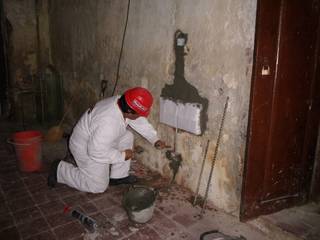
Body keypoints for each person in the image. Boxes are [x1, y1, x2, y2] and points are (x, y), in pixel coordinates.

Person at [47, 87, 168, 193]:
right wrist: (122, 155)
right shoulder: (108, 123)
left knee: (127, 136)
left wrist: (154, 139)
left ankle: (118, 177)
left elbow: (138, 120)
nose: (140, 116)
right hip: (85, 147)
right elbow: (95, 152)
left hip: (97, 139)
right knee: (98, 186)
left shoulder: (122, 102)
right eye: (139, 114)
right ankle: (60, 170)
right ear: (130, 111)